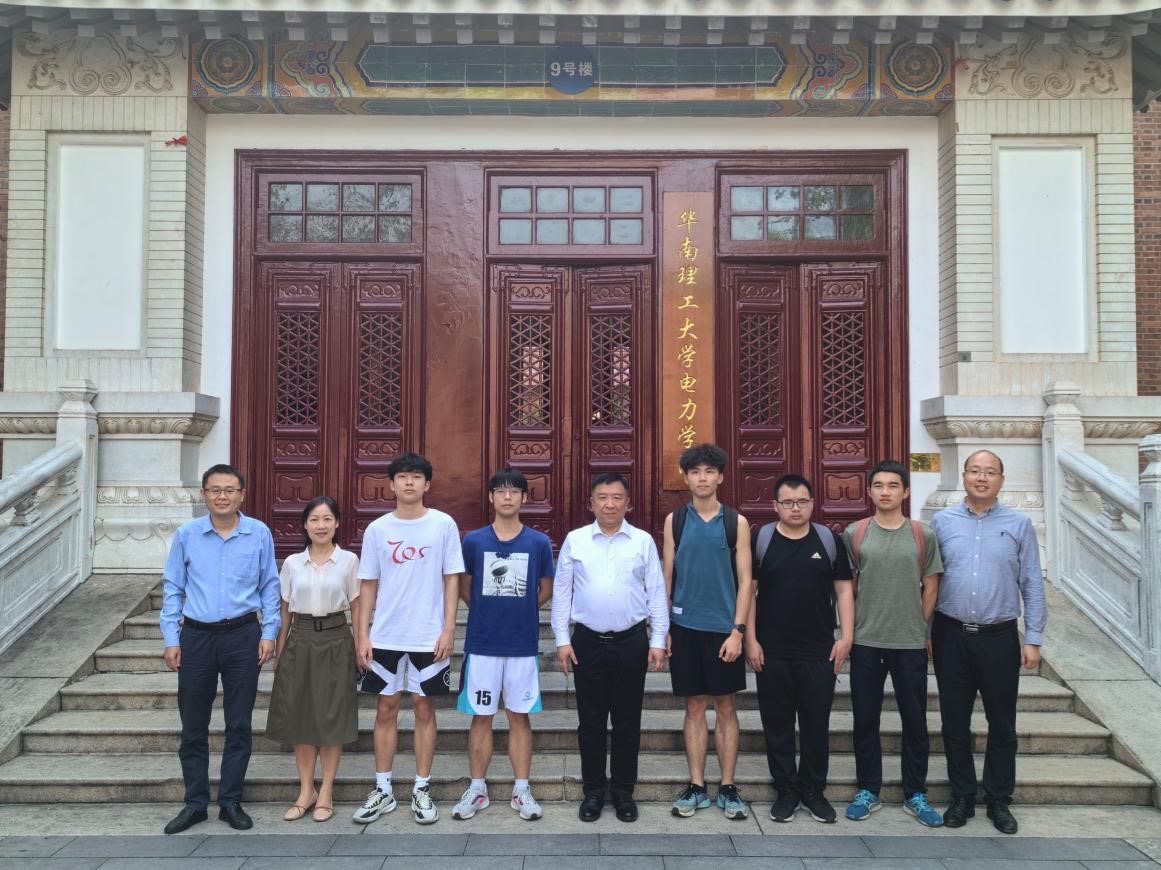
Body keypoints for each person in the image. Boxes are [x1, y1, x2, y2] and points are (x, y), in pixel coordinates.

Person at [160, 463, 281, 835]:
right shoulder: (187, 535)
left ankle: (230, 801)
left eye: (230, 490)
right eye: (215, 490)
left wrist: (270, 632)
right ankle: (195, 803)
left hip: (243, 636)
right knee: (193, 725)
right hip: (196, 637)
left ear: (242, 495)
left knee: (239, 723)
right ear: (204, 494)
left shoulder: (258, 533)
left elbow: (270, 586)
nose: (222, 496)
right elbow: (173, 587)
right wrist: (171, 638)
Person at [930, 449, 1046, 835]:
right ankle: (962, 796)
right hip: (950, 635)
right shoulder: (941, 522)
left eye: (990, 472)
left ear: (1001, 480)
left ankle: (998, 799)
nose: (982, 478)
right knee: (954, 723)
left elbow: (1032, 581)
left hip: (999, 637)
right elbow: (929, 581)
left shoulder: (1019, 524)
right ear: (963, 476)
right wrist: (926, 632)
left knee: (1002, 723)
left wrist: (1033, 638)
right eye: (975, 471)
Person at [351, 452, 465, 826]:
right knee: (385, 709)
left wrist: (449, 628)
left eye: (416, 476)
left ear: (427, 484)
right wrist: (362, 634)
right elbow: (368, 584)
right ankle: (383, 789)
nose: (409, 482)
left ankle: (421, 788)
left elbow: (451, 578)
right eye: (402, 476)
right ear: (392, 485)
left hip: (428, 636)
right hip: (386, 634)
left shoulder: (443, 525)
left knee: (423, 708)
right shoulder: (378, 529)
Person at [551, 473, 668, 823]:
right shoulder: (576, 541)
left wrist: (657, 639)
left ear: (628, 503)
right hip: (587, 641)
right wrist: (562, 640)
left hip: (632, 641)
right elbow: (562, 593)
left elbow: (656, 592)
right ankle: (593, 791)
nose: (610, 504)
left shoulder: (642, 541)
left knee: (628, 721)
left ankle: (622, 791)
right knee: (591, 722)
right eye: (602, 497)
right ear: (591, 503)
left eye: (617, 497)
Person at [744, 473, 853, 824]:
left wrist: (846, 637)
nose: (795, 508)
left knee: (815, 723)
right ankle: (786, 790)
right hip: (771, 649)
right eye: (788, 502)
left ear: (812, 504)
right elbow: (749, 591)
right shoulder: (761, 539)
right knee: (777, 724)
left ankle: (813, 790)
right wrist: (750, 639)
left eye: (802, 501)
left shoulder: (828, 540)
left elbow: (843, 590)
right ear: (775, 505)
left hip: (818, 650)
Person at [842, 460, 944, 828]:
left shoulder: (921, 534)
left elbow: (931, 586)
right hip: (866, 641)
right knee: (865, 718)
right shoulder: (855, 533)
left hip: (909, 643)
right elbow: (849, 588)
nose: (885, 492)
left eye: (893, 485)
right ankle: (868, 789)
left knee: (914, 720)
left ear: (905, 491)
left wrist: (918, 625)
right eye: (879, 485)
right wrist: (853, 630)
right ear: (869, 491)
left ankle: (915, 792)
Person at [451, 469, 555, 822]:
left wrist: (521, 609)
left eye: (514, 491)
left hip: (521, 644)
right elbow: (464, 587)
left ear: (525, 498)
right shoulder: (474, 541)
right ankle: (477, 788)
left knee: (518, 716)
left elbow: (545, 589)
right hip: (482, 643)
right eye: (501, 491)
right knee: (481, 716)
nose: (507, 497)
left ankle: (521, 789)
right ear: (491, 497)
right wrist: (486, 611)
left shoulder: (538, 543)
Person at [662, 443, 753, 820]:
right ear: (686, 478)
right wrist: (663, 628)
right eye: (695, 472)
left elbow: (746, 581)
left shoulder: (736, 522)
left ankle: (728, 786)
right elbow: (667, 578)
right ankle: (697, 785)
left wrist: (738, 631)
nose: (702, 478)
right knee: (694, 706)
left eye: (709, 471)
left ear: (720, 477)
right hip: (685, 627)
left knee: (726, 706)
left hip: (722, 630)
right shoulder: (674, 521)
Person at [266, 496, 360, 824]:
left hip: (336, 639)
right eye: (314, 520)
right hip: (301, 639)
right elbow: (284, 609)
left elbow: (357, 604)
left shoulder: (349, 561)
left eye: (327, 519)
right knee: (301, 718)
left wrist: (361, 643)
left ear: (337, 523)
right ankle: (306, 791)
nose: (321, 526)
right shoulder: (293, 563)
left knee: (332, 718)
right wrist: (280, 648)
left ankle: (327, 791)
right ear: (305, 525)